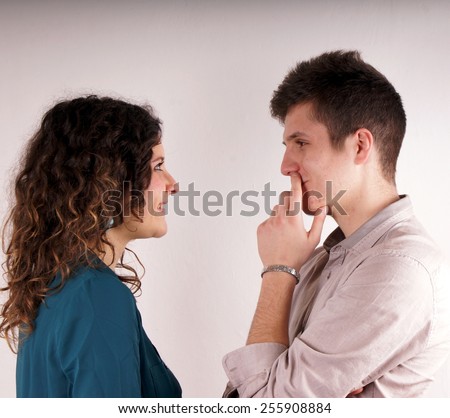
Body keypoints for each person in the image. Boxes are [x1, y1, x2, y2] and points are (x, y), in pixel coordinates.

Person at [222, 50, 450, 397]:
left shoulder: (397, 268)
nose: (285, 166)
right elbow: (254, 392)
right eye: (287, 145)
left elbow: (265, 405)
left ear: (359, 145)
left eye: (301, 143)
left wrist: (278, 270)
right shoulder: (323, 258)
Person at [0, 96, 182, 398]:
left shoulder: (50, 290)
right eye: (158, 166)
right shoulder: (97, 295)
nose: (172, 184)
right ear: (109, 180)